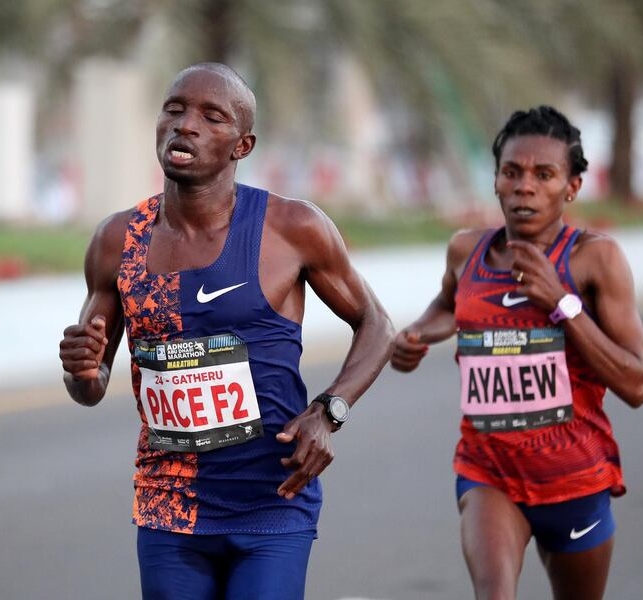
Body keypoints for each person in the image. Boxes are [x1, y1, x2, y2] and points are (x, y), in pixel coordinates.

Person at [59, 62, 394, 600]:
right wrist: (82, 369)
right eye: (174, 109)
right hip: (170, 507)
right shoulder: (118, 240)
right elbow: (90, 384)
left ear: (242, 145)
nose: (185, 124)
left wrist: (330, 410)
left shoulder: (292, 228)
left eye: (211, 116)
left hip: (271, 501)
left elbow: (376, 324)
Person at [390, 106, 643, 600]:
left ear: (571, 187)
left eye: (544, 174)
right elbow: (449, 304)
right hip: (489, 474)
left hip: (574, 481)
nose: (524, 186)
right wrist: (418, 333)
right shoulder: (467, 251)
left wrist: (561, 303)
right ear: (496, 181)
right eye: (512, 172)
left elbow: (636, 384)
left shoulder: (596, 259)